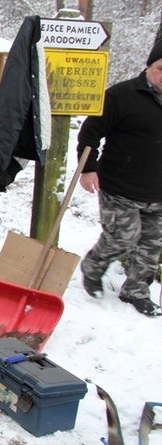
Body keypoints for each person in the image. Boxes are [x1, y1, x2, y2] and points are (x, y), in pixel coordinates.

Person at [76, 40, 162, 317]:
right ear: (149, 66)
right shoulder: (121, 96)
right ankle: (92, 267)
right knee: (123, 238)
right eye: (161, 68)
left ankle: (136, 291)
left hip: (158, 191)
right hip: (119, 187)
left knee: (151, 246)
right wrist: (87, 169)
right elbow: (90, 133)